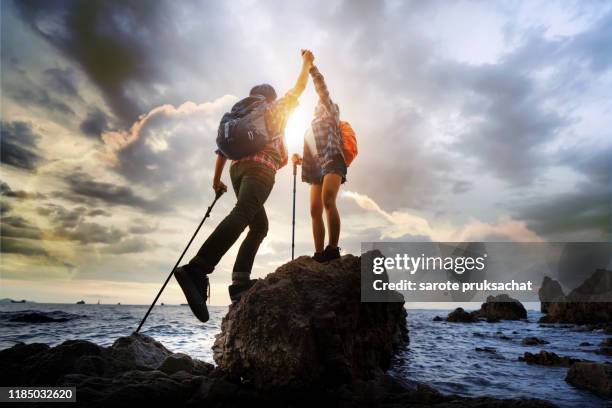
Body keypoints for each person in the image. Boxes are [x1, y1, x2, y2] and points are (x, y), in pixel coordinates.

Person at [176, 50, 314, 322]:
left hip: (238, 171)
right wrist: (307, 64)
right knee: (242, 214)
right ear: (271, 97)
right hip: (261, 168)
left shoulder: (240, 112)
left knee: (259, 225)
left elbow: (221, 150)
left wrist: (217, 180)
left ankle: (239, 283)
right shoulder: (273, 108)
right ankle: (197, 269)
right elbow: (298, 88)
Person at [292, 60, 347, 263]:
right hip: (315, 168)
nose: (319, 106)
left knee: (328, 201)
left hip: (333, 160)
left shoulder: (332, 115)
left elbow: (322, 90)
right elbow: (312, 151)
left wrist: (312, 68)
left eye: (321, 104)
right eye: (317, 106)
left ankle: (332, 249)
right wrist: (299, 159)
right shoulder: (310, 127)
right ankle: (319, 253)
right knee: (314, 210)